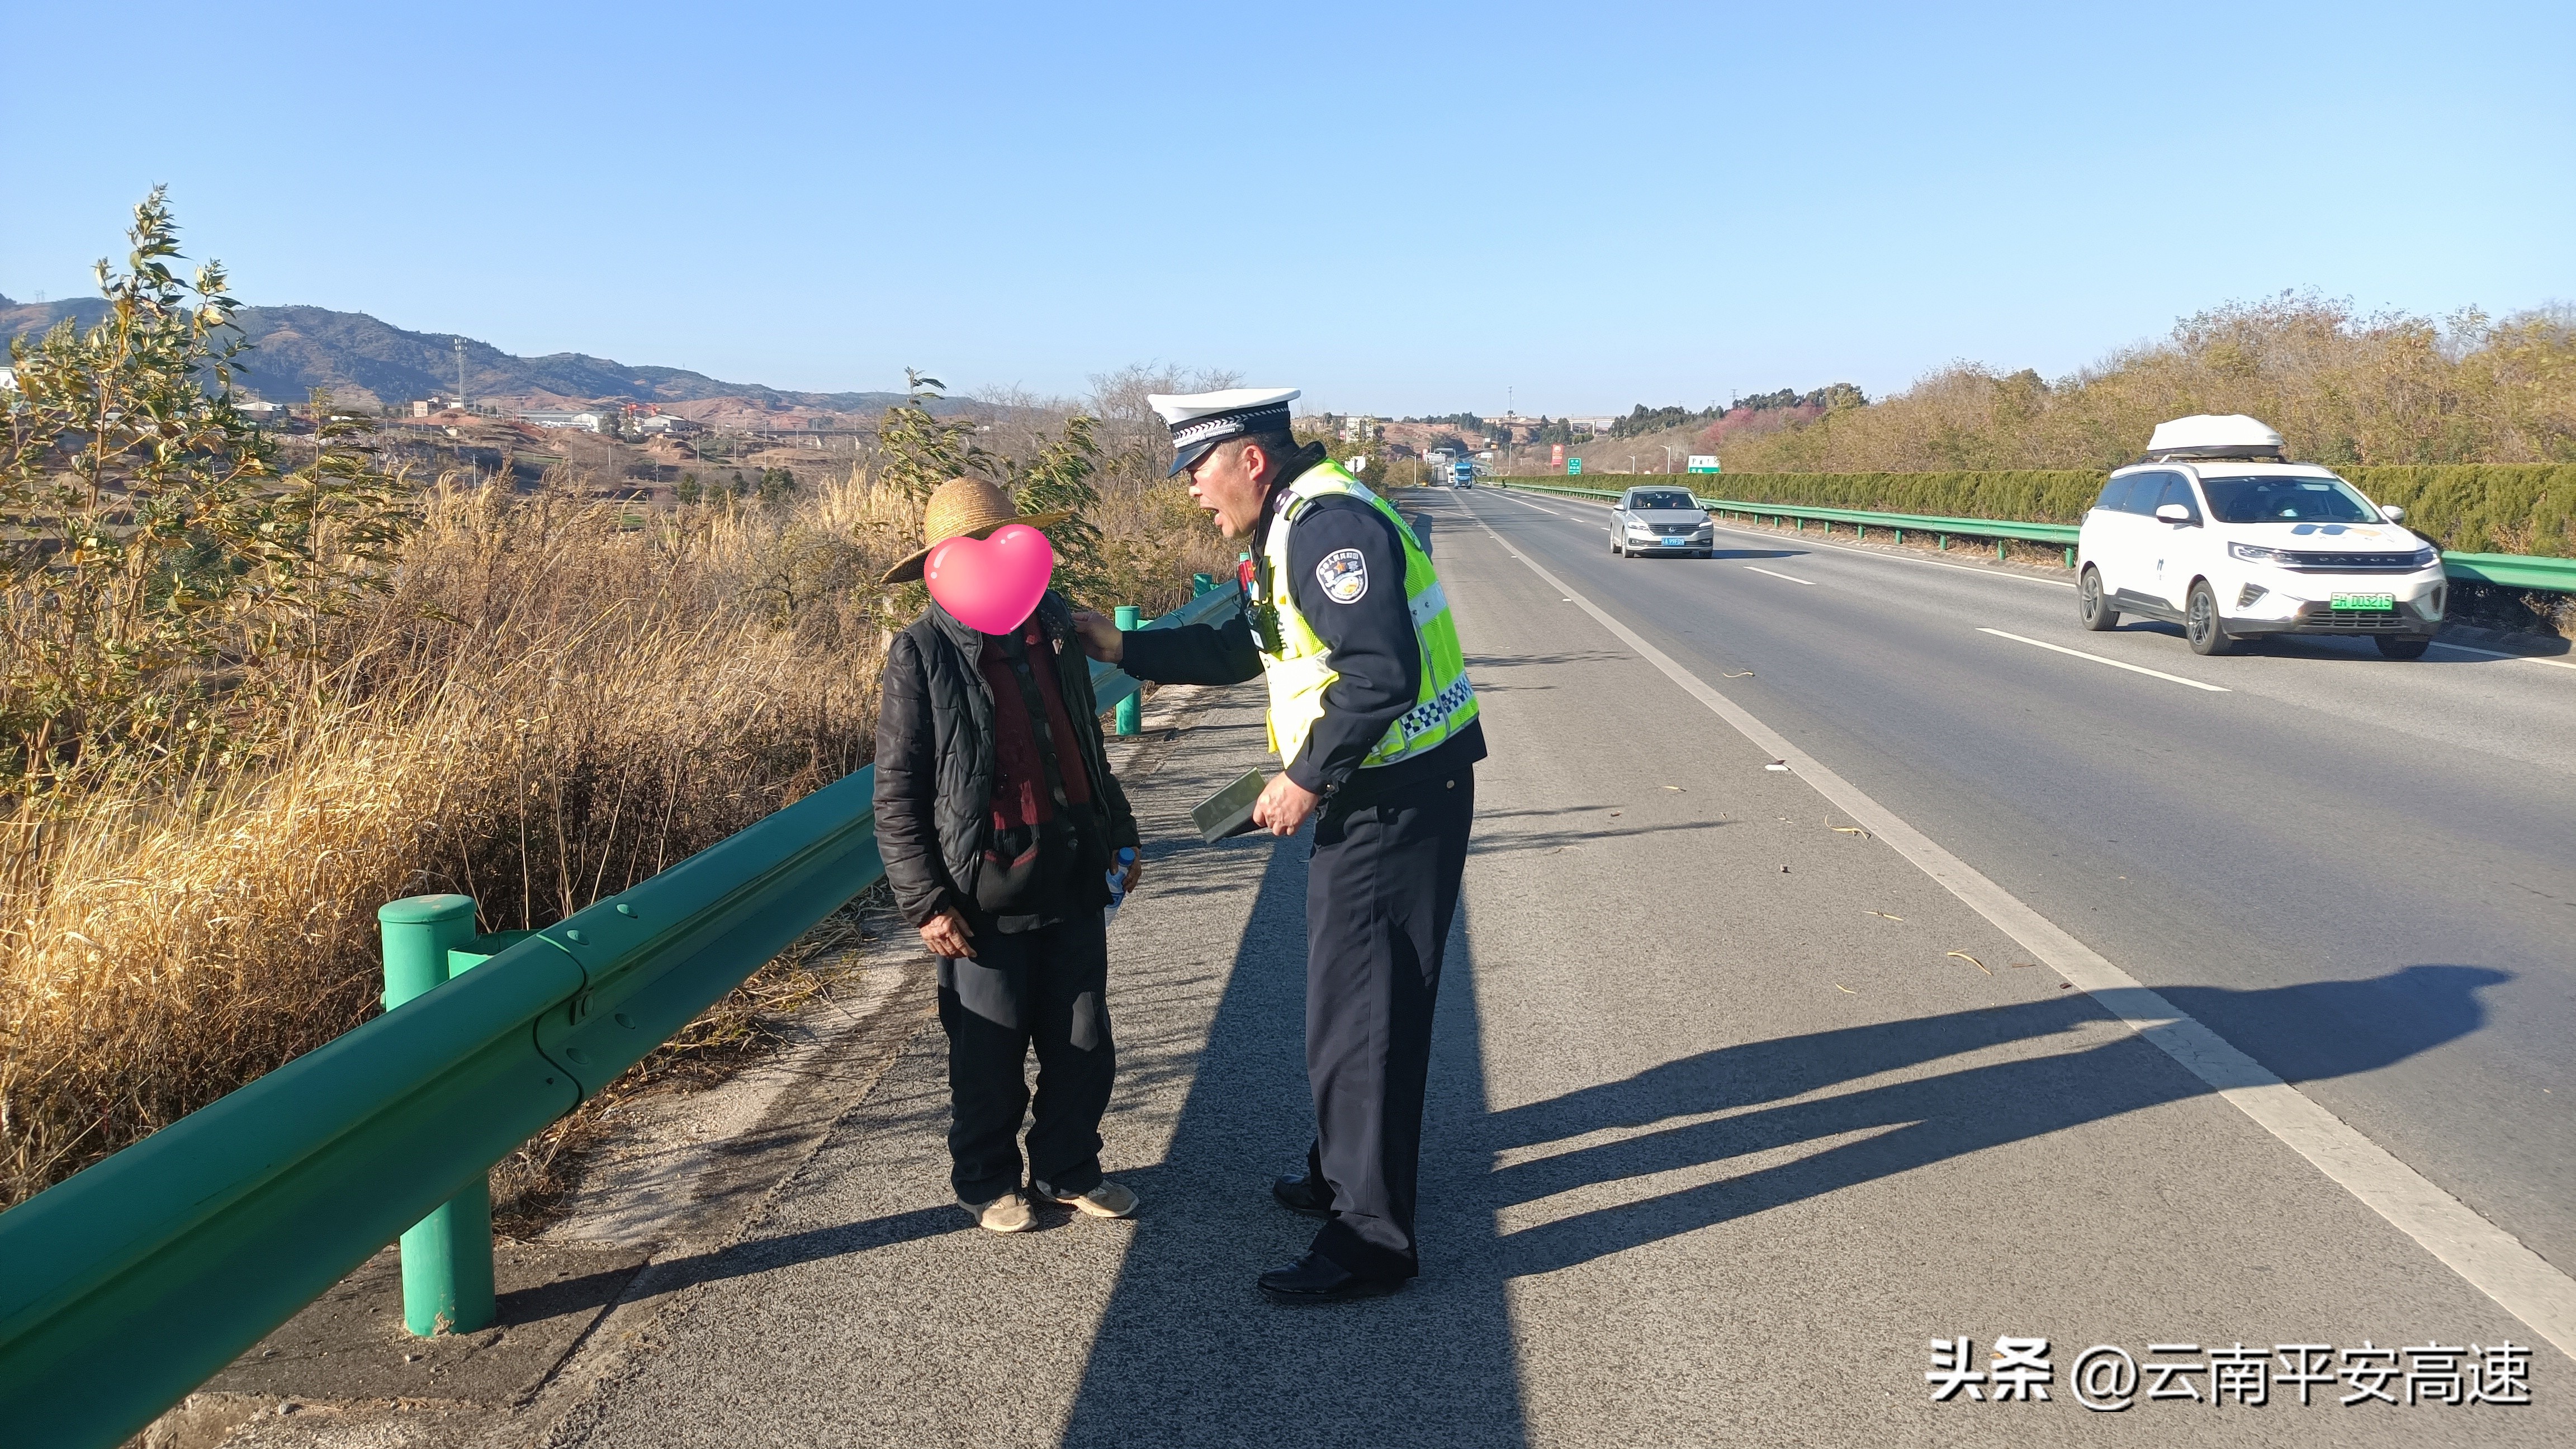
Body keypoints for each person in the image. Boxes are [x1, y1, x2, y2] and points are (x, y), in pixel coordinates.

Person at [1070, 387, 1484, 1303]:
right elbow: (1245, 649)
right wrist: (1125, 650)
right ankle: (1344, 1172)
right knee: (1350, 1001)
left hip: (1393, 796)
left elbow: (1380, 674)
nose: (1190, 492)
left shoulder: (1326, 525)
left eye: (1197, 470)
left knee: (1363, 1012)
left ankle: (1372, 1237)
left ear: (1249, 459)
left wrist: (1305, 777)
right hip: (1384, 791)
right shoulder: (1290, 519)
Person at [875, 477, 1145, 1233]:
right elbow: (896, 789)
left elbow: (1083, 746)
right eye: (975, 551)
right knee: (986, 1056)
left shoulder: (1053, 629)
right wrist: (925, 901)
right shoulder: (921, 652)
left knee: (1083, 1040)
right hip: (981, 890)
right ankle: (985, 1179)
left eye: (1002, 546)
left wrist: (1120, 832)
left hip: (1070, 870)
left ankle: (1068, 1168)